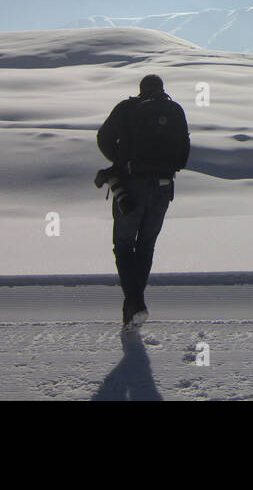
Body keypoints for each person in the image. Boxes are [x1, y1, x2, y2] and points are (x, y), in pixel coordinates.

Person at [96, 74, 190, 332]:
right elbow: (183, 157)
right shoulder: (175, 110)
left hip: (131, 187)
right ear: (162, 89)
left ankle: (135, 303)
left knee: (124, 246)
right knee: (146, 246)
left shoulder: (127, 108)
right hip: (162, 188)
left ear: (140, 89)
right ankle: (133, 307)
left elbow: (103, 138)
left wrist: (121, 161)